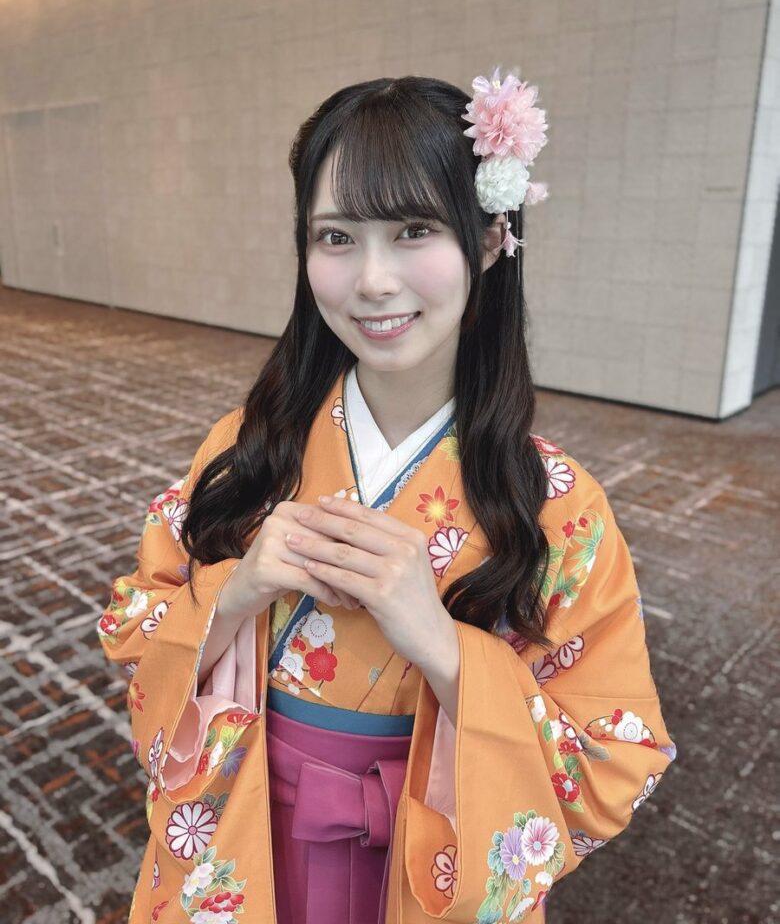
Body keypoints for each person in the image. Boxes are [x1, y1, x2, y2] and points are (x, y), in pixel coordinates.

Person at [97, 68, 677, 924]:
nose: (371, 280)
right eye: (336, 237)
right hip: (245, 836)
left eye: (413, 230)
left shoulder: (556, 504)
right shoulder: (246, 450)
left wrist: (443, 647)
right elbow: (133, 627)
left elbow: (614, 756)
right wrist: (235, 592)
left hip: (437, 856)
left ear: (491, 238)